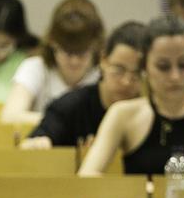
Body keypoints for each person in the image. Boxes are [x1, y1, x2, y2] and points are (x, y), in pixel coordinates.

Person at [78, 15, 184, 176]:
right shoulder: (122, 114)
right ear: (145, 66)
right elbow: (87, 176)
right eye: (163, 67)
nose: (175, 76)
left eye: (183, 65)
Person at [22, 21, 146, 150]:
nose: (126, 81)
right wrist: (38, 143)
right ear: (103, 60)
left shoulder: (155, 112)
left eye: (137, 73)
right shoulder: (69, 106)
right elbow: (34, 142)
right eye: (119, 69)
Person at [1, 0, 104, 124]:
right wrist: (65, 122)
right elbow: (9, 117)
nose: (74, 61)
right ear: (52, 43)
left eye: (82, 53)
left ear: (96, 46)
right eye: (67, 52)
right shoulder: (36, 67)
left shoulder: (104, 73)